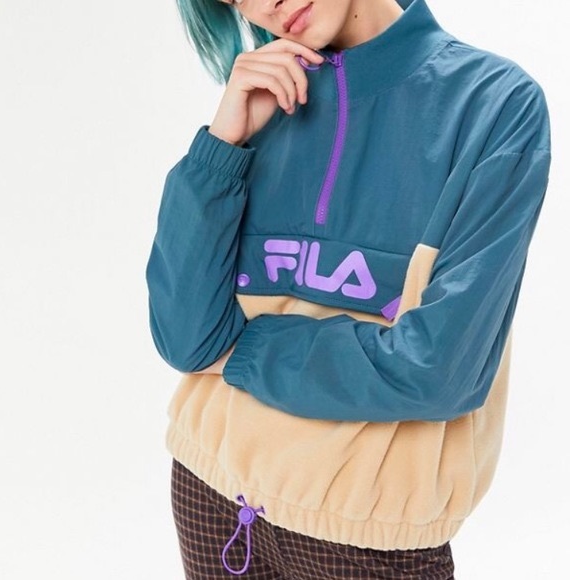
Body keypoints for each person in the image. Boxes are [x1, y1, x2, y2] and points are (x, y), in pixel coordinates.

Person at [145, 0, 551, 577]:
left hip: (369, 535)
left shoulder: (494, 104)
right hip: (208, 492)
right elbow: (185, 340)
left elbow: (438, 372)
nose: (263, 6)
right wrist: (221, 146)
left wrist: (244, 348)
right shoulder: (267, 102)